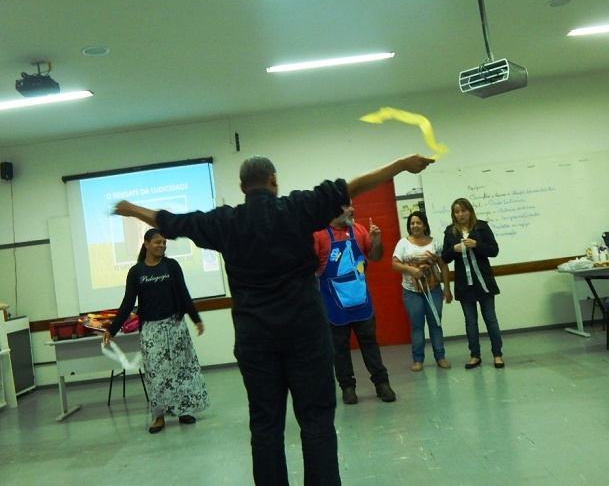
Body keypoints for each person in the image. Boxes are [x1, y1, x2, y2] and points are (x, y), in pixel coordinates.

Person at [112, 153, 434, 486]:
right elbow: (350, 187)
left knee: (265, 427)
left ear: (242, 188)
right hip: (306, 335)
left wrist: (133, 209)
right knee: (317, 423)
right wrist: (400, 165)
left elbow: (171, 222)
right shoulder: (297, 208)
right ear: (274, 180)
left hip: (256, 341)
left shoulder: (225, 222)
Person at [102, 228, 209, 434]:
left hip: (175, 326)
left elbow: (184, 293)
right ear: (146, 244)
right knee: (156, 375)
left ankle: (183, 411)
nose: (162, 245)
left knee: (181, 371)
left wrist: (196, 319)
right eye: (157, 242)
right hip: (151, 330)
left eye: (164, 242)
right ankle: (159, 417)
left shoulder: (172, 266)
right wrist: (112, 329)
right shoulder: (137, 272)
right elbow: (128, 302)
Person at [313, 205, 396, 405]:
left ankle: (382, 384)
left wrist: (376, 242)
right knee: (339, 349)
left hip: (361, 302)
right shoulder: (319, 235)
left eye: (351, 204)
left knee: (370, 345)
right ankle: (347, 387)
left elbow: (375, 257)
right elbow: (307, 268)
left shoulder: (359, 230)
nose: (352, 209)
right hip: (333, 305)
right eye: (345, 205)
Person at [440, 198, 505, 369]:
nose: (460, 214)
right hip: (464, 283)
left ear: (470, 211)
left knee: (490, 318)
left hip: (483, 281)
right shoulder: (450, 232)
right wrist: (454, 249)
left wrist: (477, 245)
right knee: (470, 321)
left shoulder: (482, 227)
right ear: (453, 214)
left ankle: (497, 354)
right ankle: (475, 355)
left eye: (463, 211)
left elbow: (494, 250)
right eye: (457, 212)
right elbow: (444, 258)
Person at [391, 211, 453, 372]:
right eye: (412, 223)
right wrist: (410, 269)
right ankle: (418, 360)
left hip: (434, 290)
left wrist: (447, 288)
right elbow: (395, 264)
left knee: (436, 324)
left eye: (418, 222)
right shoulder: (403, 243)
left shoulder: (435, 243)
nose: (415, 225)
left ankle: (440, 357)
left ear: (424, 225)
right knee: (417, 325)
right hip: (411, 291)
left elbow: (443, 266)